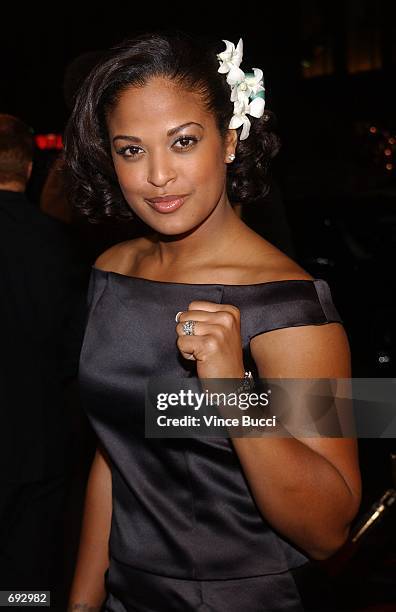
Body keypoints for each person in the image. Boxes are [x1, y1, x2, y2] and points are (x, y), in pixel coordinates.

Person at [63, 32, 362, 612]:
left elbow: (328, 530)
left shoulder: (295, 308)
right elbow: (116, 450)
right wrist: (81, 601)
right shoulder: (110, 270)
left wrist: (230, 391)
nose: (157, 175)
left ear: (228, 139)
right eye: (131, 149)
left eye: (182, 142)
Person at [0, 114, 88, 597]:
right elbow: (76, 349)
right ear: (29, 167)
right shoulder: (58, 244)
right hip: (40, 439)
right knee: (27, 581)